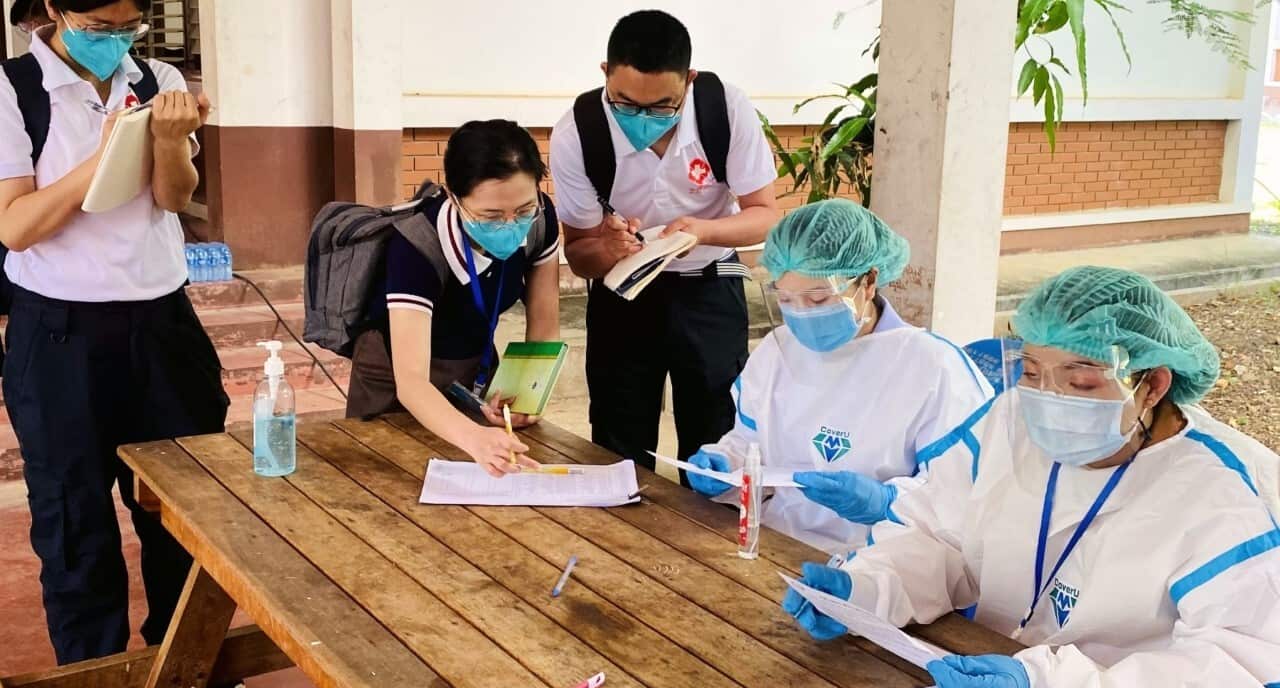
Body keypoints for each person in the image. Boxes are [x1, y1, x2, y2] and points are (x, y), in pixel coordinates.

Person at [782, 266, 1280, 688]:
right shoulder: (1011, 422)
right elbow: (941, 534)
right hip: (977, 676)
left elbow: (1240, 669)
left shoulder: (1229, 493)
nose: (1048, 401)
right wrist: (868, 589)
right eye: (1032, 372)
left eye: (1082, 382)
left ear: (1152, 386)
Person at [0, 0, 240, 688]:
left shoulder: (155, 74)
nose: (117, 42)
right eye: (101, 27)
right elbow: (16, 227)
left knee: (185, 504)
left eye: (129, 25)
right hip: (60, 334)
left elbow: (174, 197)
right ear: (55, 10)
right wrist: (100, 159)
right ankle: (97, 680)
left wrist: (169, 140)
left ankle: (186, 657)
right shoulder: (14, 91)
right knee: (76, 518)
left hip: (161, 324)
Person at [549, 10, 781, 483]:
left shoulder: (724, 110)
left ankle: (711, 547)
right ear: (605, 76)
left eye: (662, 106)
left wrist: (701, 231)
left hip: (709, 286)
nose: (642, 118)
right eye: (625, 103)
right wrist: (609, 249)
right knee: (618, 441)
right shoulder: (580, 131)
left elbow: (765, 214)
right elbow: (578, 252)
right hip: (624, 296)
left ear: (689, 82)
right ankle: (620, 543)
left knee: (716, 437)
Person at [684, 199, 993, 553]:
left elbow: (962, 494)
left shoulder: (933, 367)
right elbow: (750, 444)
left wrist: (886, 501)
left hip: (885, 564)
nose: (801, 314)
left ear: (869, 280)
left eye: (819, 299)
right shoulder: (777, 352)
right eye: (786, 299)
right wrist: (726, 465)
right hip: (777, 542)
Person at [345, 119, 561, 478]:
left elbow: (544, 327)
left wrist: (526, 395)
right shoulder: (417, 245)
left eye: (523, 210)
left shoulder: (541, 220)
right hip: (393, 377)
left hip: (472, 367)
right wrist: (474, 437)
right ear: (454, 198)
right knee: (393, 485)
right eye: (491, 215)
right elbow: (411, 381)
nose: (511, 224)